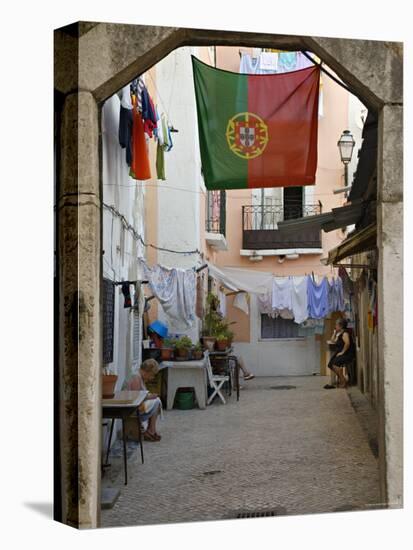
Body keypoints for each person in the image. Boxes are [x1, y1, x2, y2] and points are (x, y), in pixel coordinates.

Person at [127, 358, 162, 441]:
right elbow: (136, 398)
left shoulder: (140, 377)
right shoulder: (136, 377)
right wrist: (150, 397)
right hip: (131, 408)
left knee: (157, 401)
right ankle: (151, 430)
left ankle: (151, 430)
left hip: (135, 406)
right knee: (156, 401)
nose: (152, 378)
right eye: (152, 375)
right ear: (147, 371)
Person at [326, 318, 355, 388]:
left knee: (335, 365)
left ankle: (343, 381)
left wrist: (342, 352)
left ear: (341, 326)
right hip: (341, 353)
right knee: (330, 364)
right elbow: (333, 341)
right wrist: (334, 333)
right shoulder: (339, 333)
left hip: (347, 354)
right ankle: (341, 377)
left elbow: (347, 343)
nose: (335, 326)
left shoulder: (345, 333)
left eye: (336, 325)